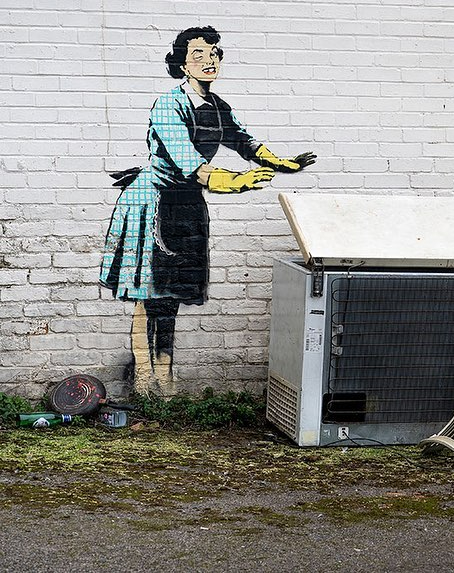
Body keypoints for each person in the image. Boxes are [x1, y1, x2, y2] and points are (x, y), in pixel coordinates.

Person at [100, 26, 316, 395]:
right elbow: (189, 162)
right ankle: (143, 377)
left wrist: (284, 163)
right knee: (148, 293)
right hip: (154, 203)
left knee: (174, 293)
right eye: (198, 54)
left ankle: (164, 378)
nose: (209, 60)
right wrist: (237, 182)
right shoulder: (169, 105)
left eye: (214, 53)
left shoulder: (218, 107)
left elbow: (244, 141)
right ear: (182, 64)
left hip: (188, 205)